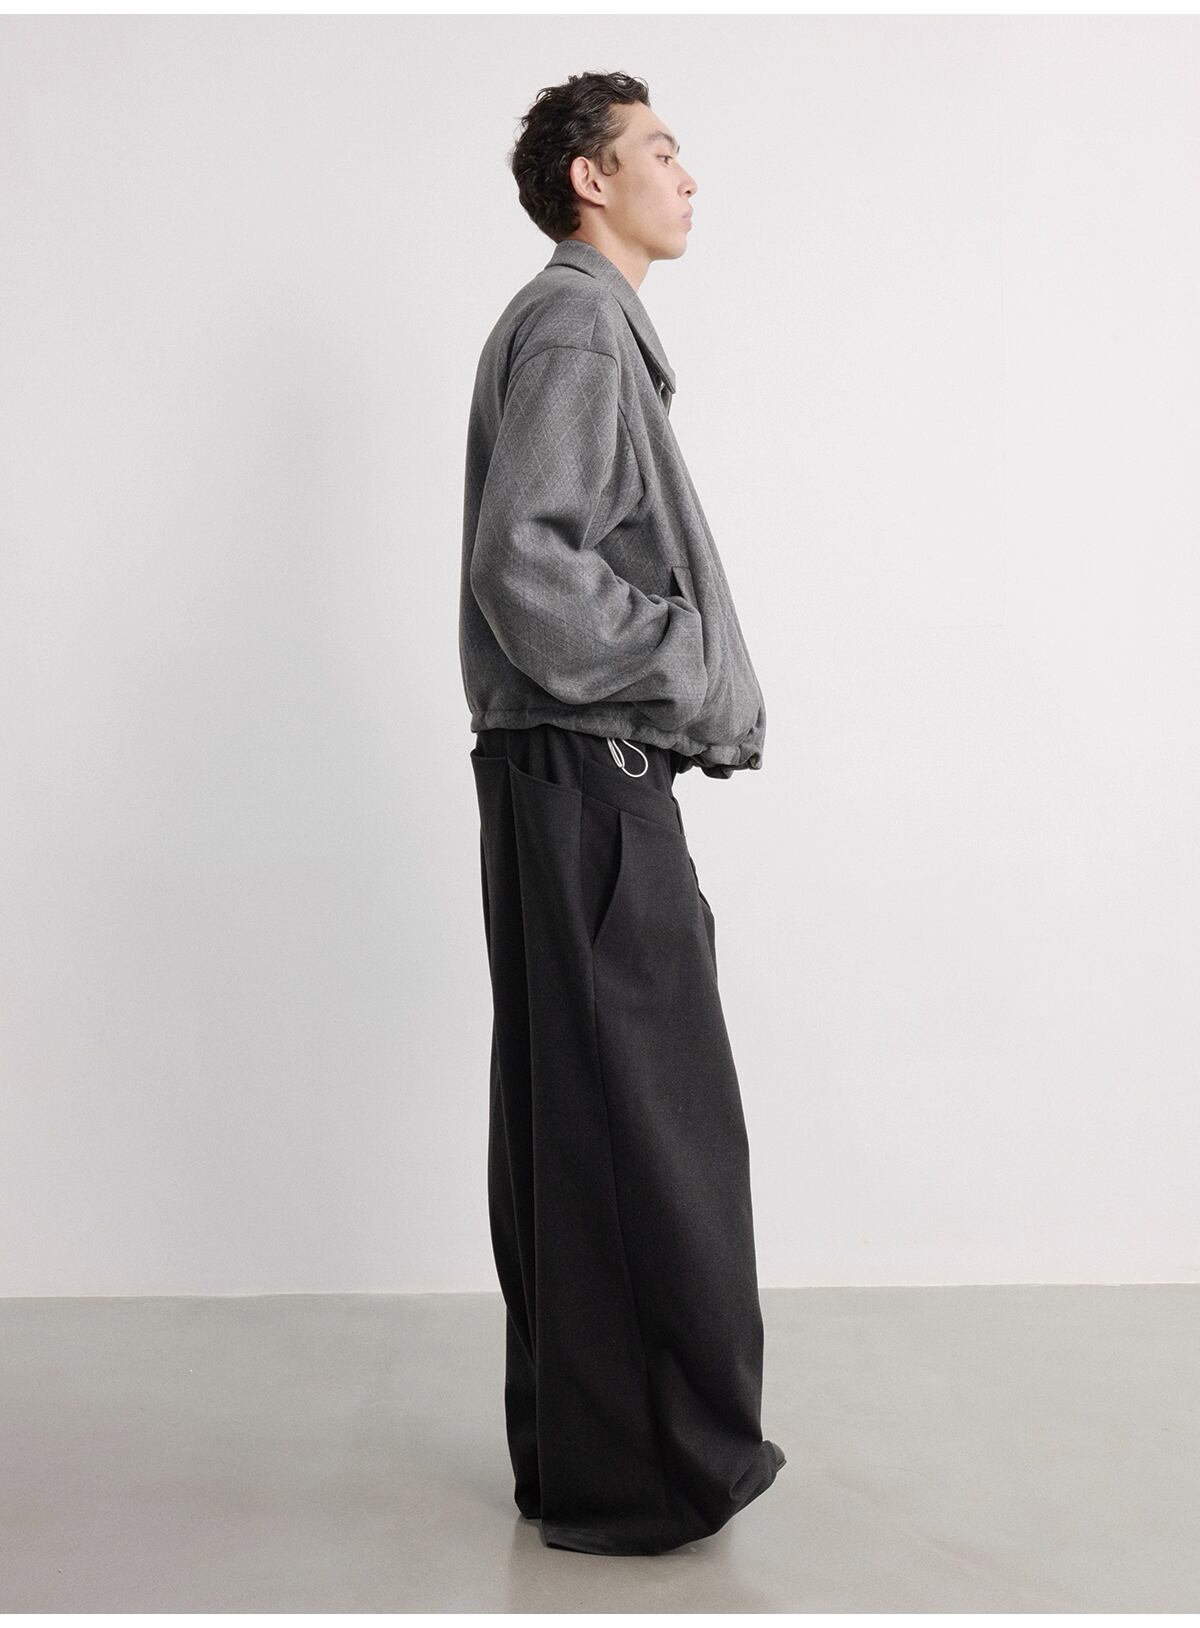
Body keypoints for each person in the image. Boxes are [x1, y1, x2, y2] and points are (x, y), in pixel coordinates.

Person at [457, 70, 784, 1556]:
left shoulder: (573, 328)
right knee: (648, 1136)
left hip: (562, 778)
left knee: (582, 1124)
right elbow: (526, 566)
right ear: (593, 180)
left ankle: (592, 1466)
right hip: (588, 774)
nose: (687, 175)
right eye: (660, 148)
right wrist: (687, 657)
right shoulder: (582, 324)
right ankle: (644, 1477)